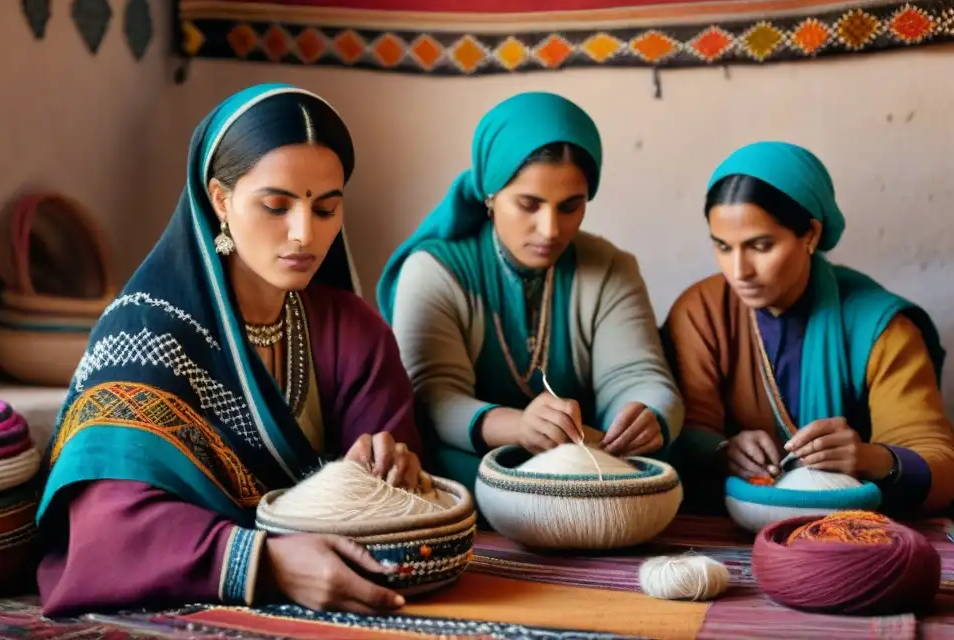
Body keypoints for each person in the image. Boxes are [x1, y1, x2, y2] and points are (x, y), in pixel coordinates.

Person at [36, 84, 426, 616]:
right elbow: (106, 531)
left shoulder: (352, 331)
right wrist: (266, 562)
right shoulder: (146, 334)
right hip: (203, 579)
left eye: (327, 208)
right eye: (275, 205)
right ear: (220, 200)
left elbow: (403, 498)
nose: (303, 234)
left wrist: (388, 467)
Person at [377, 92, 683, 492]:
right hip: (479, 462)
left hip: (585, 468)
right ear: (490, 194)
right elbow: (433, 398)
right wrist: (519, 427)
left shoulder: (610, 268)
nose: (551, 229)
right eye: (529, 204)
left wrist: (646, 415)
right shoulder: (435, 269)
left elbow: (638, 375)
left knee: (679, 452)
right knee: (438, 469)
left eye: (570, 206)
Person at [663, 141, 954, 515]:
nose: (739, 271)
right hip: (731, 524)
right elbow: (684, 431)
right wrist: (723, 451)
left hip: (855, 530)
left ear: (811, 235)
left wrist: (869, 457)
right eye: (723, 246)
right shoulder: (701, 312)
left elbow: (940, 465)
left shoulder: (880, 328)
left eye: (761, 246)